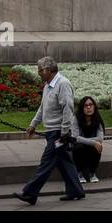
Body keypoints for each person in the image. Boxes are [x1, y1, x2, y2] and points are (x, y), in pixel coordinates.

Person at [15, 57, 84, 204]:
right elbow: (42, 108)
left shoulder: (63, 84)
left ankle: (30, 193)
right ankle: (76, 191)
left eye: (40, 70)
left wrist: (65, 132)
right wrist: (33, 124)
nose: (38, 72)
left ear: (49, 70)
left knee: (46, 163)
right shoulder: (48, 86)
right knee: (65, 162)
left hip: (58, 133)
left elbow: (68, 109)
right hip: (52, 132)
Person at [71, 96, 106, 182]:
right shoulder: (76, 118)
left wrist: (87, 141)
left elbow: (100, 138)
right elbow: (75, 137)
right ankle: (79, 173)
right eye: (85, 105)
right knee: (78, 146)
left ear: (94, 106)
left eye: (91, 105)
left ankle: (92, 173)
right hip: (78, 147)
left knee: (98, 146)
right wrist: (93, 142)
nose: (89, 107)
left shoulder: (97, 119)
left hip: (89, 147)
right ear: (82, 108)